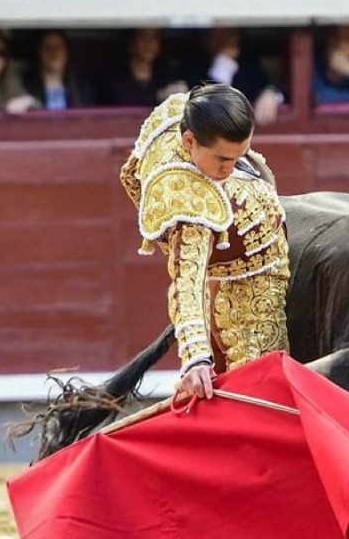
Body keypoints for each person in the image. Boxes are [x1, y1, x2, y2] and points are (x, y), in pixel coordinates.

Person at [118, 84, 289, 399]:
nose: (231, 167)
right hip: (243, 302)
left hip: (257, 262)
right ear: (189, 141)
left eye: (240, 155)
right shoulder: (191, 201)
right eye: (222, 159)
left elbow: (130, 173)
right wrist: (196, 356)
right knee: (261, 397)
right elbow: (188, 281)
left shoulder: (186, 113)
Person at [183, 27, 284, 125]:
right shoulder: (193, 66)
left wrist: (271, 93)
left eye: (230, 34)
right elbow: (208, 104)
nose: (226, 41)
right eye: (218, 36)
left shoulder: (248, 65)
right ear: (206, 40)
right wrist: (223, 62)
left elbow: (273, 86)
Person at [103, 28, 188, 107]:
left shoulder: (167, 71)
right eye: (143, 37)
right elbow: (123, 101)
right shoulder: (116, 74)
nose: (149, 43)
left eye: (153, 38)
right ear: (131, 42)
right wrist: (158, 96)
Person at [21, 30, 95, 110]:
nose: (54, 53)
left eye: (59, 47)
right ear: (39, 52)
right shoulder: (25, 85)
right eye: (48, 47)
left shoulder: (80, 87)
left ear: (67, 52)